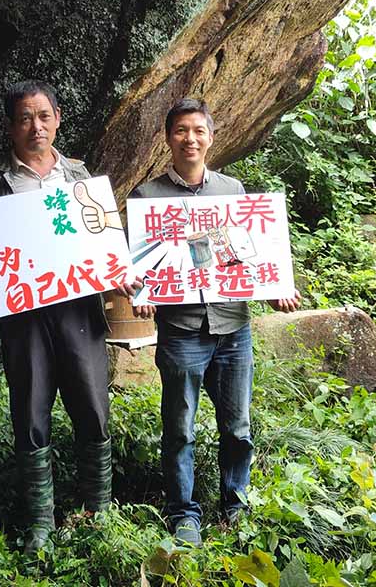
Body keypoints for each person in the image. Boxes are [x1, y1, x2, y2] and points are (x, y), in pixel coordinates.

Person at [126, 98, 301, 547]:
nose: (191, 139)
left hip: (233, 326)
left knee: (237, 426)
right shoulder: (147, 198)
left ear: (210, 137)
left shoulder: (233, 191)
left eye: (198, 131)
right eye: (181, 130)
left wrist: (275, 287)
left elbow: (246, 254)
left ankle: (235, 506)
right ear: (168, 138)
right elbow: (138, 270)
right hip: (182, 328)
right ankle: (184, 514)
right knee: (180, 428)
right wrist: (143, 294)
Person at [0, 80, 112, 554]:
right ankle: (40, 522)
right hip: (23, 315)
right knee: (30, 408)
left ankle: (98, 509)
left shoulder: (79, 175)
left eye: (43, 116)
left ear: (58, 119)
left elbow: (103, 237)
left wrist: (119, 273)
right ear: (10, 127)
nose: (35, 126)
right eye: (24, 118)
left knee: (91, 404)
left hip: (77, 308)